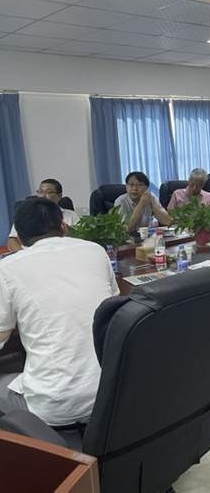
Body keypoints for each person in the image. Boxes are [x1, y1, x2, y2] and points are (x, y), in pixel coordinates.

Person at [0, 198, 119, 425]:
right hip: (112, 391)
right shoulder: (95, 251)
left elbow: (2, 335)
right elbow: (112, 307)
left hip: (56, 405)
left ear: (20, 239)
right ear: (63, 226)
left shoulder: (7, 268)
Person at [7, 178, 80, 252]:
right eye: (41, 192)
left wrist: (71, 232)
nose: (43, 196)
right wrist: (25, 254)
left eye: (48, 192)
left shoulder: (71, 215)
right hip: (30, 254)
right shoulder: (26, 214)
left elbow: (81, 237)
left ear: (59, 196)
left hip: (63, 253)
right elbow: (12, 240)